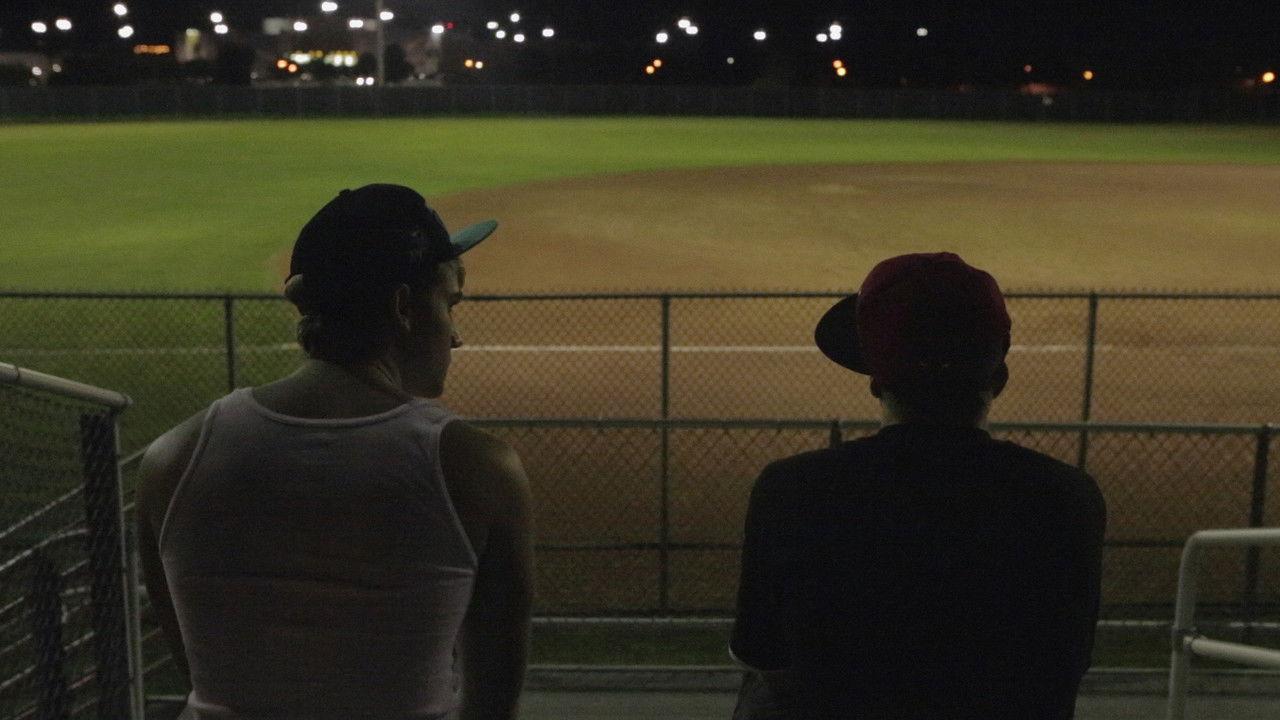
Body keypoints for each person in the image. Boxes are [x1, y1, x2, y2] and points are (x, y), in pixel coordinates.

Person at [136, 184, 534, 720]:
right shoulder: (477, 470)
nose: (456, 336)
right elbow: (492, 705)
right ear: (403, 308)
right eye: (449, 302)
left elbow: (207, 675)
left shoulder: (172, 459)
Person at [729, 252, 1106, 719]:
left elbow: (763, 658)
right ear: (999, 377)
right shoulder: (1066, 498)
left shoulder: (792, 492)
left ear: (874, 383)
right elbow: (1065, 668)